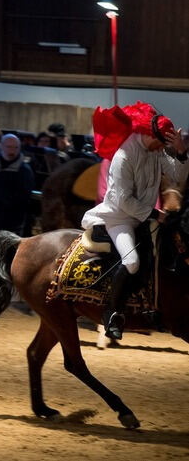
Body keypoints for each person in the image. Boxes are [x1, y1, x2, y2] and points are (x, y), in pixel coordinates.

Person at [82, 102, 188, 340]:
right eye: (164, 143)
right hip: (118, 218)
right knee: (131, 262)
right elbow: (122, 200)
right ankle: (111, 314)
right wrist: (153, 214)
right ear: (152, 136)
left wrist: (181, 153)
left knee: (162, 256)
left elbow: (176, 176)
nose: (164, 148)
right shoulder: (123, 157)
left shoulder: (156, 150)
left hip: (142, 218)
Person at [0, 134, 34, 236]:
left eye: (16, 147)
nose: (12, 151)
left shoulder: (24, 170)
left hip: (13, 220)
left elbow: (24, 199)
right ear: (1, 147)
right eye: (9, 147)